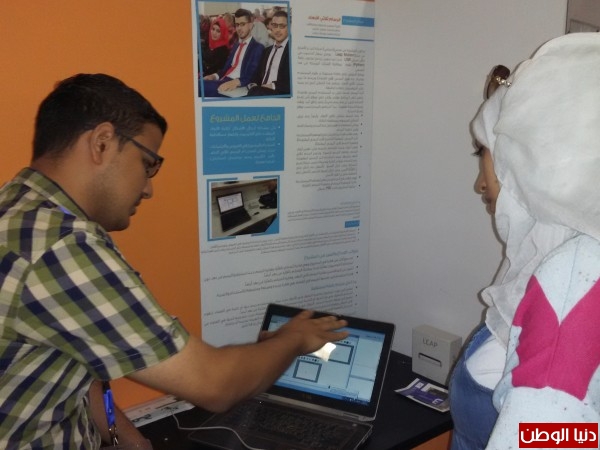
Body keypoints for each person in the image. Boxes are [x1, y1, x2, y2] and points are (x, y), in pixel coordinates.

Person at [0, 73, 349, 449]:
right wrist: (293, 339)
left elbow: (74, 360)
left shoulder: (16, 210)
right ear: (102, 142)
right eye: (147, 163)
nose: (148, 188)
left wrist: (130, 440)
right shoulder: (62, 246)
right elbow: (216, 385)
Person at [449, 32, 600, 449]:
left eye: (484, 150)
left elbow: (554, 435)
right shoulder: (556, 261)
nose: (480, 184)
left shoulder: (572, 280)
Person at [201, 8, 264, 97]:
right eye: (237, 25)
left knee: (198, 86)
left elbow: (252, 75)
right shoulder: (236, 45)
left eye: (242, 24)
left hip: (237, 85)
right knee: (199, 83)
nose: (239, 28)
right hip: (223, 80)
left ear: (250, 25)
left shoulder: (257, 47)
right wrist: (214, 76)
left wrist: (235, 82)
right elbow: (225, 69)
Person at [247, 10, 290, 97]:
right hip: (260, 92)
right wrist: (253, 84)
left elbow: (293, 81)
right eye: (274, 25)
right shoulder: (266, 51)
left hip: (280, 94)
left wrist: (272, 86)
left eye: (282, 26)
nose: (277, 30)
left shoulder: (292, 51)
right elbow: (257, 75)